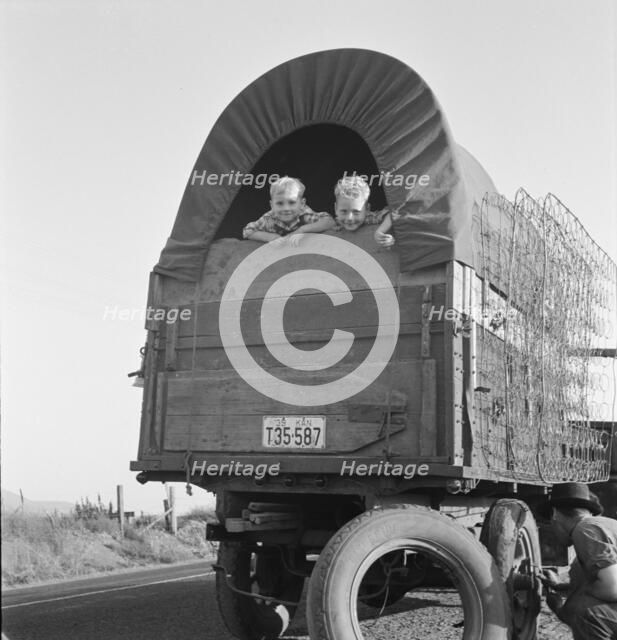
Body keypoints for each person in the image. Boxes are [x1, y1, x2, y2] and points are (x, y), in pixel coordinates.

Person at [539, 482, 617, 640]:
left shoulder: (585, 529)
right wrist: (560, 587)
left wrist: (566, 605)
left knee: (582, 609)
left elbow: (612, 587)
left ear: (554, 513)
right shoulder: (605, 524)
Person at [242, 176, 334, 243]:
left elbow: (329, 221)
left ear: (302, 204)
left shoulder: (304, 214)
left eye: (292, 202)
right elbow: (248, 230)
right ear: (272, 205)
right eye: (280, 203)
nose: (286, 208)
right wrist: (269, 237)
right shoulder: (269, 218)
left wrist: (302, 230)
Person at [333, 175, 393, 243]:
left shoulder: (370, 218)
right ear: (336, 208)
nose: (349, 218)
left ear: (367, 209)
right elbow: (326, 219)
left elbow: (392, 214)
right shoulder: (337, 221)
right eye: (344, 211)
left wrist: (381, 231)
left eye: (356, 212)